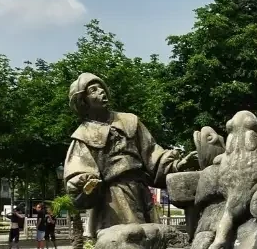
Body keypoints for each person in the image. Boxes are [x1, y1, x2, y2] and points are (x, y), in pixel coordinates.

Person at [64, 73, 186, 238]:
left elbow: (152, 153)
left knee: (153, 238)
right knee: (128, 240)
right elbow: (78, 171)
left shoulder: (130, 121)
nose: (101, 91)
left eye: (101, 87)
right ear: (83, 101)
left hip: (141, 190)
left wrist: (176, 164)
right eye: (93, 90)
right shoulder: (83, 135)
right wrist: (86, 182)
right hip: (113, 197)